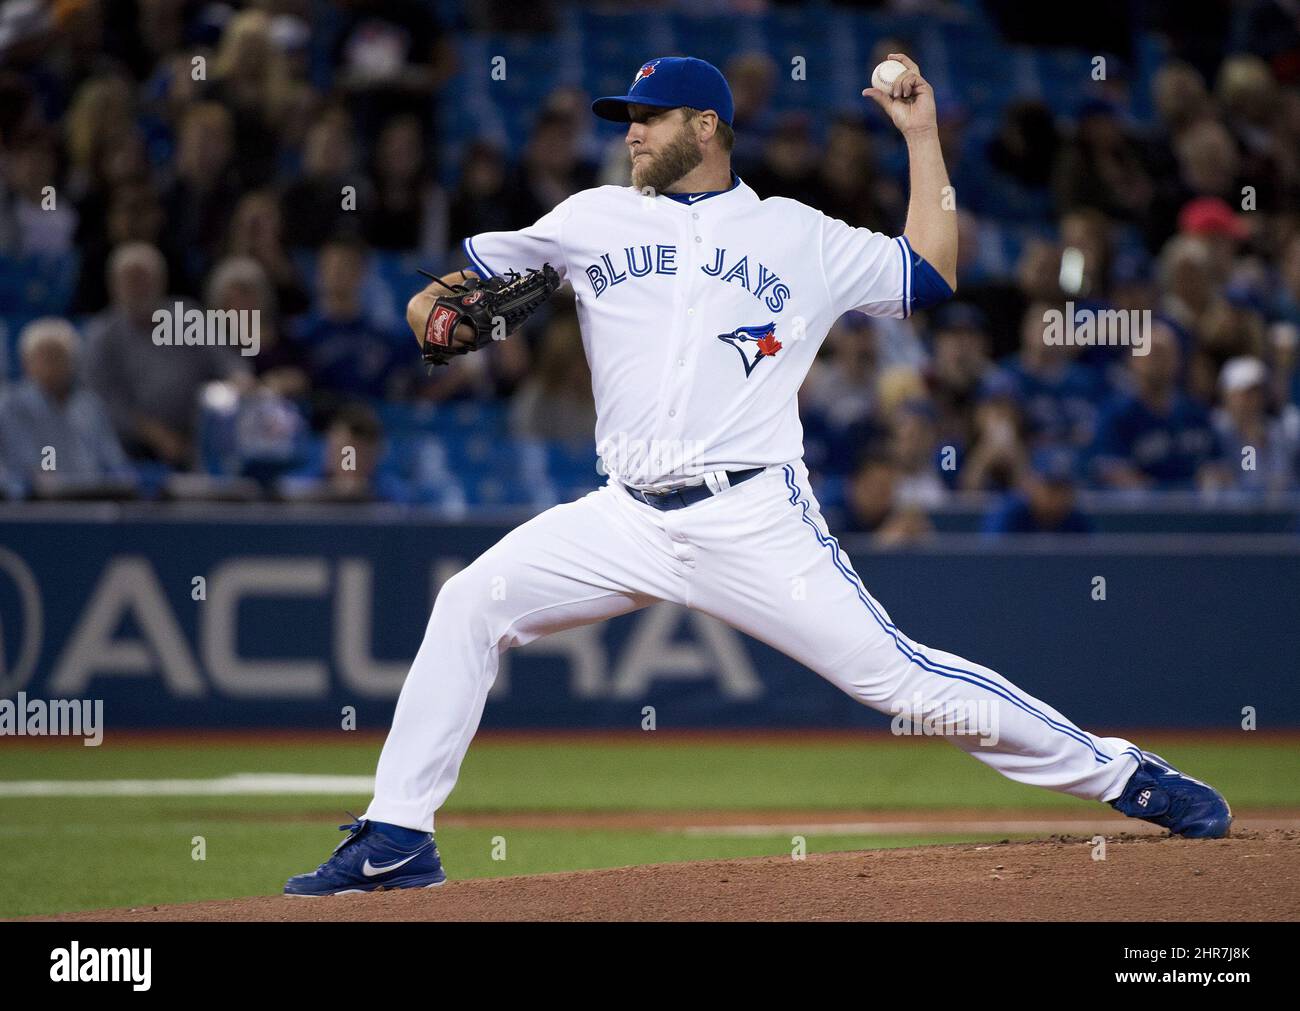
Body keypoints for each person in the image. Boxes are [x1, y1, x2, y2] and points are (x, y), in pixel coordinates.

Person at [285, 54, 1231, 897]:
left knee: (905, 684)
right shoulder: (590, 217)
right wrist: (434, 314)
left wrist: (921, 138)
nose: (632, 134)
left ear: (705, 129)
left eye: (647, 119)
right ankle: (399, 836)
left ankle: (1123, 774)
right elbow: (439, 295)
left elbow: (931, 272)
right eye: (625, 120)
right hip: (624, 515)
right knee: (468, 605)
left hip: (753, 516)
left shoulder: (796, 234)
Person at [0, 318, 132, 496]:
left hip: (91, 501)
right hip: (32, 506)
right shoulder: (9, 406)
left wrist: (123, 486)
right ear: (26, 363)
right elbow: (13, 471)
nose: (52, 365)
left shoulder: (90, 406)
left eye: (59, 356)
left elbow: (116, 465)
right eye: (44, 357)